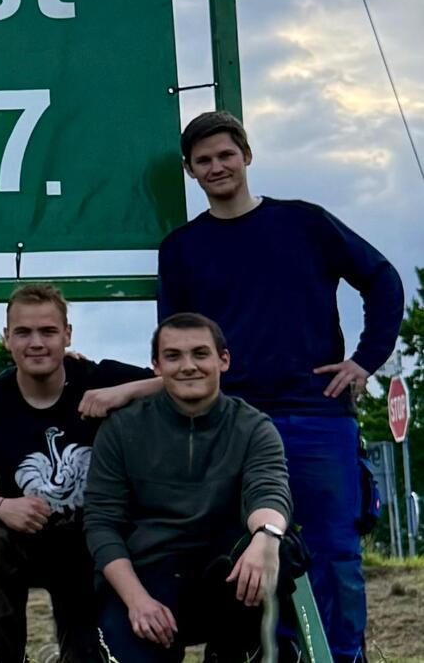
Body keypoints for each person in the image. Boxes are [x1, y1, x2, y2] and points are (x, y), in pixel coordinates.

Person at [157, 110, 404, 661]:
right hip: (227, 423)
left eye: (226, 154)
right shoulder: (181, 249)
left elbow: (383, 279)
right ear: (191, 172)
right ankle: (279, 654)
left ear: (247, 155)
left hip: (315, 415)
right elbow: (172, 341)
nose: (217, 166)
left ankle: (342, 656)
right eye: (203, 161)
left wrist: (364, 361)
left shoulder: (305, 223)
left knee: (332, 553)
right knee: (240, 553)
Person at [0, 283, 161, 663]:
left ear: (67, 335)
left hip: (94, 541)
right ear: (7, 338)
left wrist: (124, 393)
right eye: (23, 332)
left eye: (48, 331)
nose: (36, 343)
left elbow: (185, 384)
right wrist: (4, 508)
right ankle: (5, 657)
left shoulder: (97, 378)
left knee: (86, 654)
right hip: (25, 537)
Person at [84, 313, 295, 662]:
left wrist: (267, 536)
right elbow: (102, 522)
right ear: (156, 366)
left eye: (200, 354)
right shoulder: (121, 429)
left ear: (222, 360)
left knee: (281, 551)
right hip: (147, 574)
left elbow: (269, 489)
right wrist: (136, 601)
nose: (188, 366)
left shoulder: (254, 427)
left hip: (225, 575)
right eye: (173, 356)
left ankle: (240, 649)